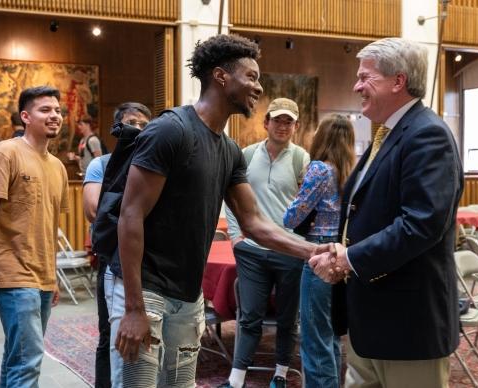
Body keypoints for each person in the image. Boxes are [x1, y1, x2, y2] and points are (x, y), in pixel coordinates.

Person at [109, 34, 331, 388]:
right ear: (221, 76)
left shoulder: (229, 150)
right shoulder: (170, 130)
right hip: (145, 287)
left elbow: (255, 223)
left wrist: (312, 251)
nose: (258, 88)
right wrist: (134, 308)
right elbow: (130, 216)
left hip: (187, 292)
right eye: (252, 77)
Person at [309, 37, 464, 387]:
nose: (357, 86)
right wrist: (339, 252)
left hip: (408, 326)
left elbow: (421, 225)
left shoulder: (427, 135)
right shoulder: (390, 135)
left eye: (366, 77)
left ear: (398, 81)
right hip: (373, 321)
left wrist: (349, 259)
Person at [0, 86, 69, 387]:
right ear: (26, 116)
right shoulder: (5, 153)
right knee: (29, 358)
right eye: (45, 110)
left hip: (41, 276)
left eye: (57, 111)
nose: (54, 116)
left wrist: (52, 278)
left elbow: (49, 226)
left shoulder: (58, 167)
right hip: (12, 274)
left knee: (17, 356)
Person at [221, 97, 309, 388]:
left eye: (289, 121)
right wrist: (236, 235)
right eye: (278, 120)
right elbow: (230, 195)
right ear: (266, 123)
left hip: (289, 251)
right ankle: (236, 380)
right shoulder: (245, 155)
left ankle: (280, 375)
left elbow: (310, 206)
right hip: (253, 252)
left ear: (296, 126)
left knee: (287, 319)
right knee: (249, 317)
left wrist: (300, 242)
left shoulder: (302, 159)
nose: (283, 126)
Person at [283, 114, 356, 388]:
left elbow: (290, 218)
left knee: (314, 341)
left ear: (321, 137)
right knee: (331, 336)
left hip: (318, 259)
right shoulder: (350, 171)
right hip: (342, 259)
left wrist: (300, 203)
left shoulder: (319, 170)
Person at [82, 101, 151, 388]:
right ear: (117, 127)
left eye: (144, 124)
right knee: (108, 333)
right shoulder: (102, 164)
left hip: (147, 259)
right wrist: (133, 211)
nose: (137, 128)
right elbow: (94, 209)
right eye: (131, 122)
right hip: (112, 258)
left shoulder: (152, 165)